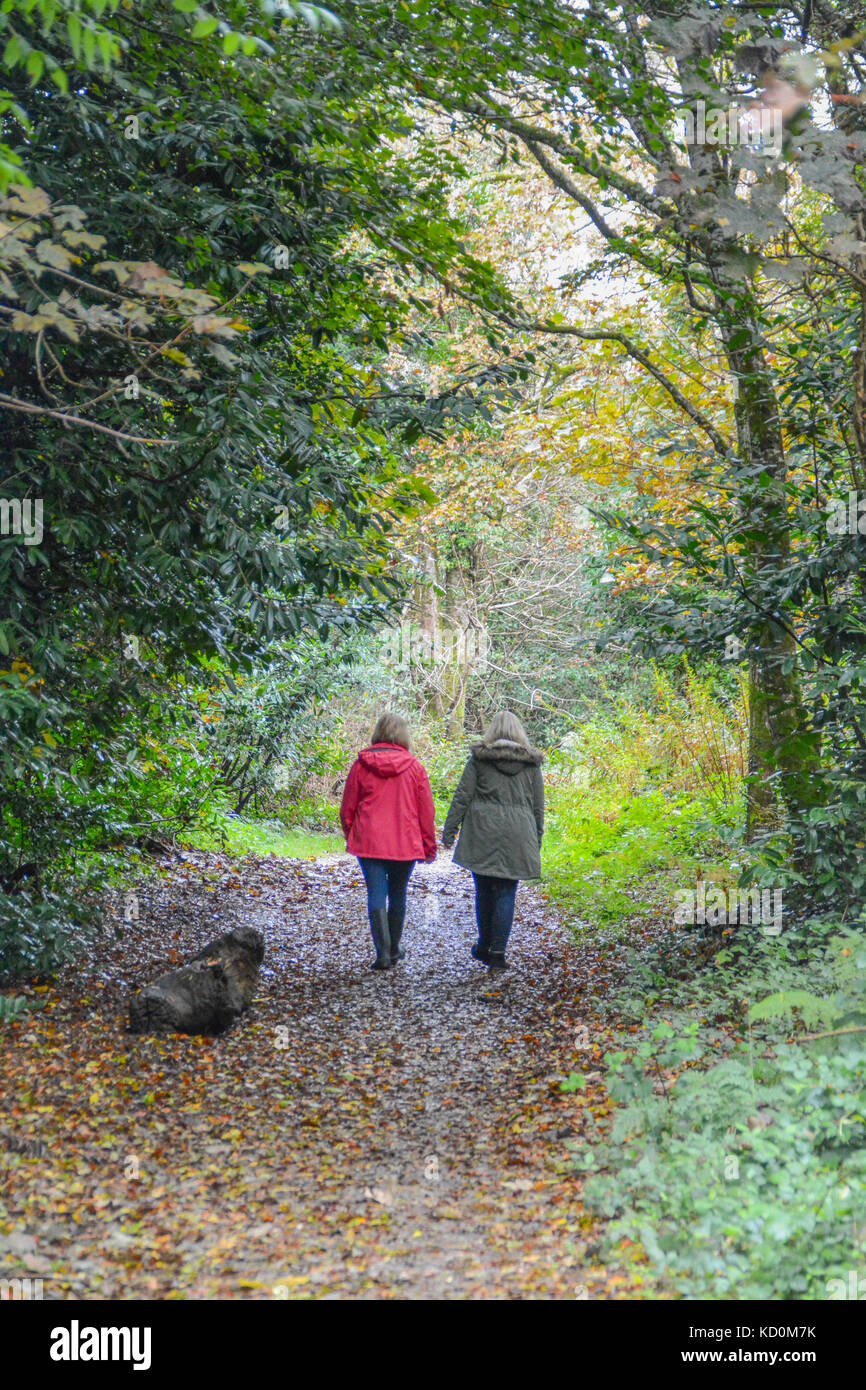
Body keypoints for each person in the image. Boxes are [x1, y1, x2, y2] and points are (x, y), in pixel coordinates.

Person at [442, 711, 544, 972]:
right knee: (507, 890)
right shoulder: (531, 765)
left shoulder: (479, 760)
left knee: (485, 889)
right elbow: (538, 806)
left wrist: (449, 829)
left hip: (482, 831)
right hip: (518, 833)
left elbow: (462, 796)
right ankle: (497, 952)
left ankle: (485, 944)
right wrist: (537, 838)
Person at [340, 713, 437, 971]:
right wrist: (429, 845)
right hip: (405, 842)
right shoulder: (414, 767)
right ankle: (394, 948)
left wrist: (351, 832)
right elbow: (426, 811)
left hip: (369, 840)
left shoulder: (361, 765)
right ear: (404, 735)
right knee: (397, 894)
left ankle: (382, 953)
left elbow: (348, 805)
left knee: (375, 893)